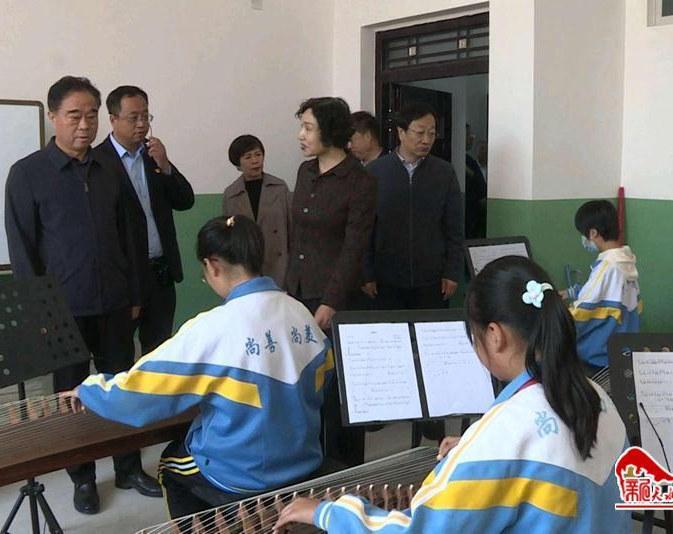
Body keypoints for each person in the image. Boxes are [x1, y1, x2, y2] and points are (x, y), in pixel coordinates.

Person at [274, 256, 630, 533]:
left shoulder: (507, 431)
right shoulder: (596, 397)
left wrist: (326, 512)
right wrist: (476, 446)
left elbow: (420, 530)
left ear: (495, 335)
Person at [66, 215, 332, 519]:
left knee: (170, 465)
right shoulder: (301, 313)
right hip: (304, 459)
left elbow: (139, 393)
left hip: (242, 474)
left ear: (212, 266)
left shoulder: (212, 328)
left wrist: (89, 390)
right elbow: (324, 379)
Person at [4, 76, 155, 514]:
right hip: (62, 309)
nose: (85, 125)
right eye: (74, 116)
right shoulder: (28, 173)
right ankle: (83, 478)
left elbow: (130, 234)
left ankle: (128, 467)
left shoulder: (109, 168)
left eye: (91, 115)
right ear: (53, 117)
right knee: (71, 398)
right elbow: (22, 249)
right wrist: (38, 309)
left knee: (120, 388)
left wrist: (134, 292)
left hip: (114, 303)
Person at [287, 96, 377, 467]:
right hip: (299, 294)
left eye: (308, 128)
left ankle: (344, 470)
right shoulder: (305, 172)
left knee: (340, 390)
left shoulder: (360, 181)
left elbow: (354, 248)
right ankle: (309, 465)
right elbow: (297, 238)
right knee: (305, 385)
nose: (301, 135)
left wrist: (331, 301)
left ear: (331, 131)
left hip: (337, 301)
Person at [96, 85, 195, 364]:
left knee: (159, 354)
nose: (141, 124)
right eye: (133, 118)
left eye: (146, 117)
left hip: (160, 274)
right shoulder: (98, 161)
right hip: (124, 278)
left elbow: (185, 200)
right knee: (118, 356)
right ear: (113, 119)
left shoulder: (153, 156)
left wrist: (166, 165)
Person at [363, 102, 463, 311]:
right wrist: (366, 273)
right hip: (385, 278)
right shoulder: (375, 172)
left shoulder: (444, 173)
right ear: (401, 132)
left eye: (432, 133)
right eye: (420, 132)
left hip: (432, 279)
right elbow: (365, 228)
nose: (426, 140)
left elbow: (454, 227)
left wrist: (453, 271)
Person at [566, 200, 641, 372]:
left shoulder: (607, 267)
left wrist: (554, 320)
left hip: (599, 356)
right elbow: (608, 294)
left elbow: (583, 310)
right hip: (622, 349)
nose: (584, 240)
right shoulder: (625, 261)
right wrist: (571, 292)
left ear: (593, 233)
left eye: (584, 234)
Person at [222, 134, 290, 287]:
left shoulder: (279, 188)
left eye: (258, 155)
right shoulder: (231, 194)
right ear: (238, 163)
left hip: (279, 265)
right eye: (248, 157)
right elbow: (229, 237)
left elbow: (292, 228)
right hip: (246, 266)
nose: (255, 161)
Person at [464, 123, 487, 239]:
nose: (472, 138)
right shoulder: (464, 162)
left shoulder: (469, 162)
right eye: (468, 135)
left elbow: (482, 190)